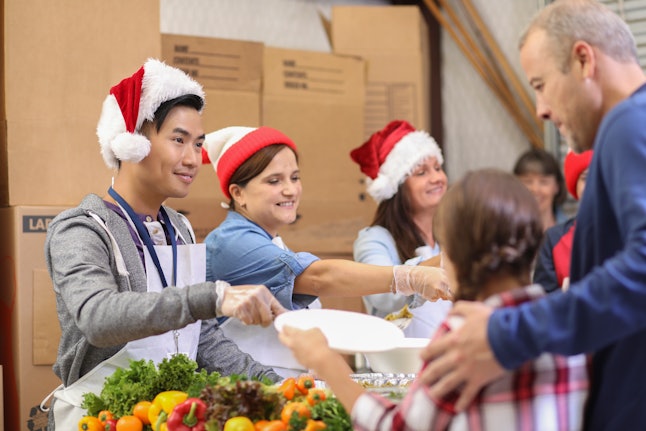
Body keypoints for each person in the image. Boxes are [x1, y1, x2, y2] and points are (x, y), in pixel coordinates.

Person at [420, 1, 646, 429]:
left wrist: (509, 333)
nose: (540, 108)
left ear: (583, 60)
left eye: (540, 85)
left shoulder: (627, 126)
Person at [43, 59, 285, 429]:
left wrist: (277, 387)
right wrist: (213, 297)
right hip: (100, 417)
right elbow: (98, 317)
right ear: (133, 142)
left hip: (167, 415)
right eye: (178, 140)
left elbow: (197, 337)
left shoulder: (180, 228)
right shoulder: (81, 229)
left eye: (198, 144)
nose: (192, 159)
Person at [279, 168, 589, 430]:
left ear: (451, 253)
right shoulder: (569, 324)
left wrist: (326, 362)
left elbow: (399, 426)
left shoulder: (463, 341)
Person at [202, 126, 452, 377]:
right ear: (238, 193)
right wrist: (413, 277)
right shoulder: (232, 242)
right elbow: (320, 278)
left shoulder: (273, 242)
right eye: (274, 181)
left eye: (295, 177)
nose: (290, 190)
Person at [350, 120, 452, 337]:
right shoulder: (374, 239)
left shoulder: (448, 236)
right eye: (421, 173)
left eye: (438, 168)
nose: (437, 178)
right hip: (397, 365)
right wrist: (451, 259)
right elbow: (382, 294)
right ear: (395, 187)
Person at [533, 149, 593, 292]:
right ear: (575, 186)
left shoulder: (634, 234)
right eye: (586, 178)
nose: (594, 184)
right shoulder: (553, 240)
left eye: (603, 176)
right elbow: (542, 305)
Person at [512, 147, 567, 231]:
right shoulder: (506, 232)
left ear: (557, 187)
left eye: (543, 182)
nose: (535, 189)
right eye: (528, 182)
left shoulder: (573, 232)